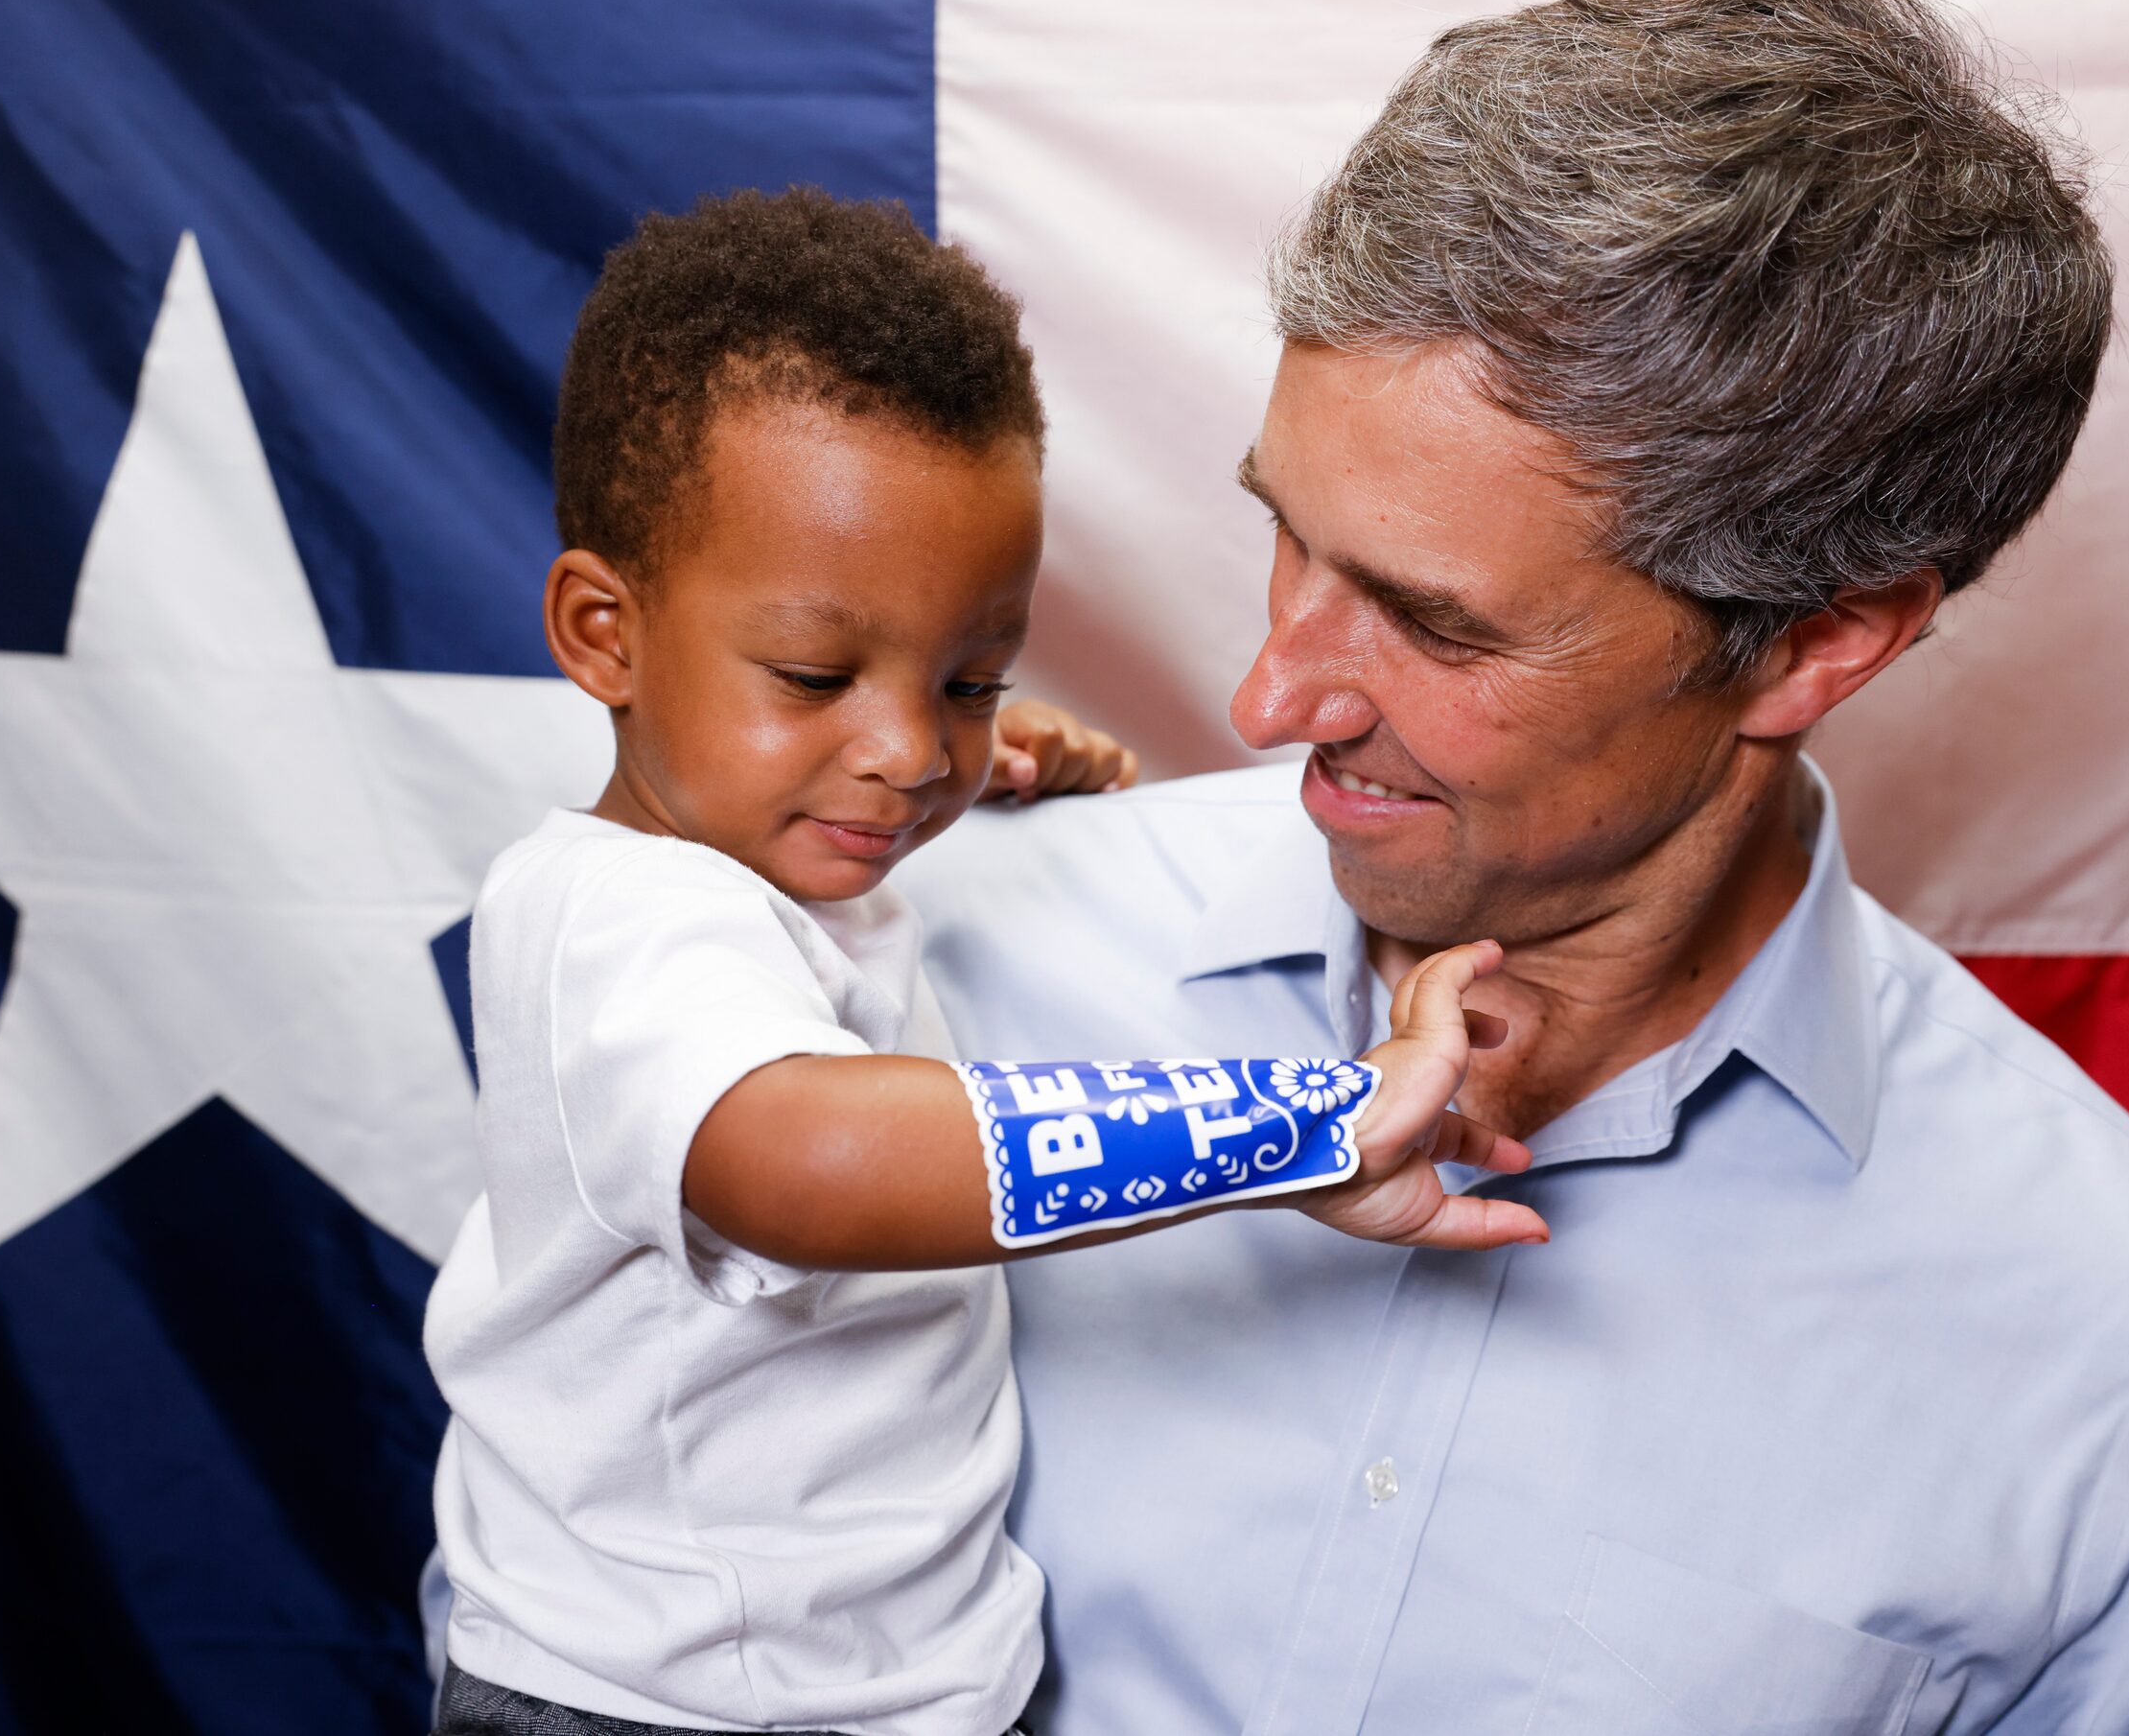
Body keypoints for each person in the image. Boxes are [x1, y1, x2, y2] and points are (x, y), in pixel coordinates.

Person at [895, 0, 2129, 1733]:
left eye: (1436, 622)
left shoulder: (2113, 1331)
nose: (1264, 696)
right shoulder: (923, 955)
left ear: (1815, 642)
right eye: (1287, 537)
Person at [419, 189, 1542, 1736]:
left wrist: (983, 762)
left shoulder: (777, 850)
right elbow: (805, 1158)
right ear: (603, 630)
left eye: (967, 676)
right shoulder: (611, 916)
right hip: (671, 1710)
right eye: (816, 675)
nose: (901, 751)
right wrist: (1304, 1121)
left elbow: (872, 775)